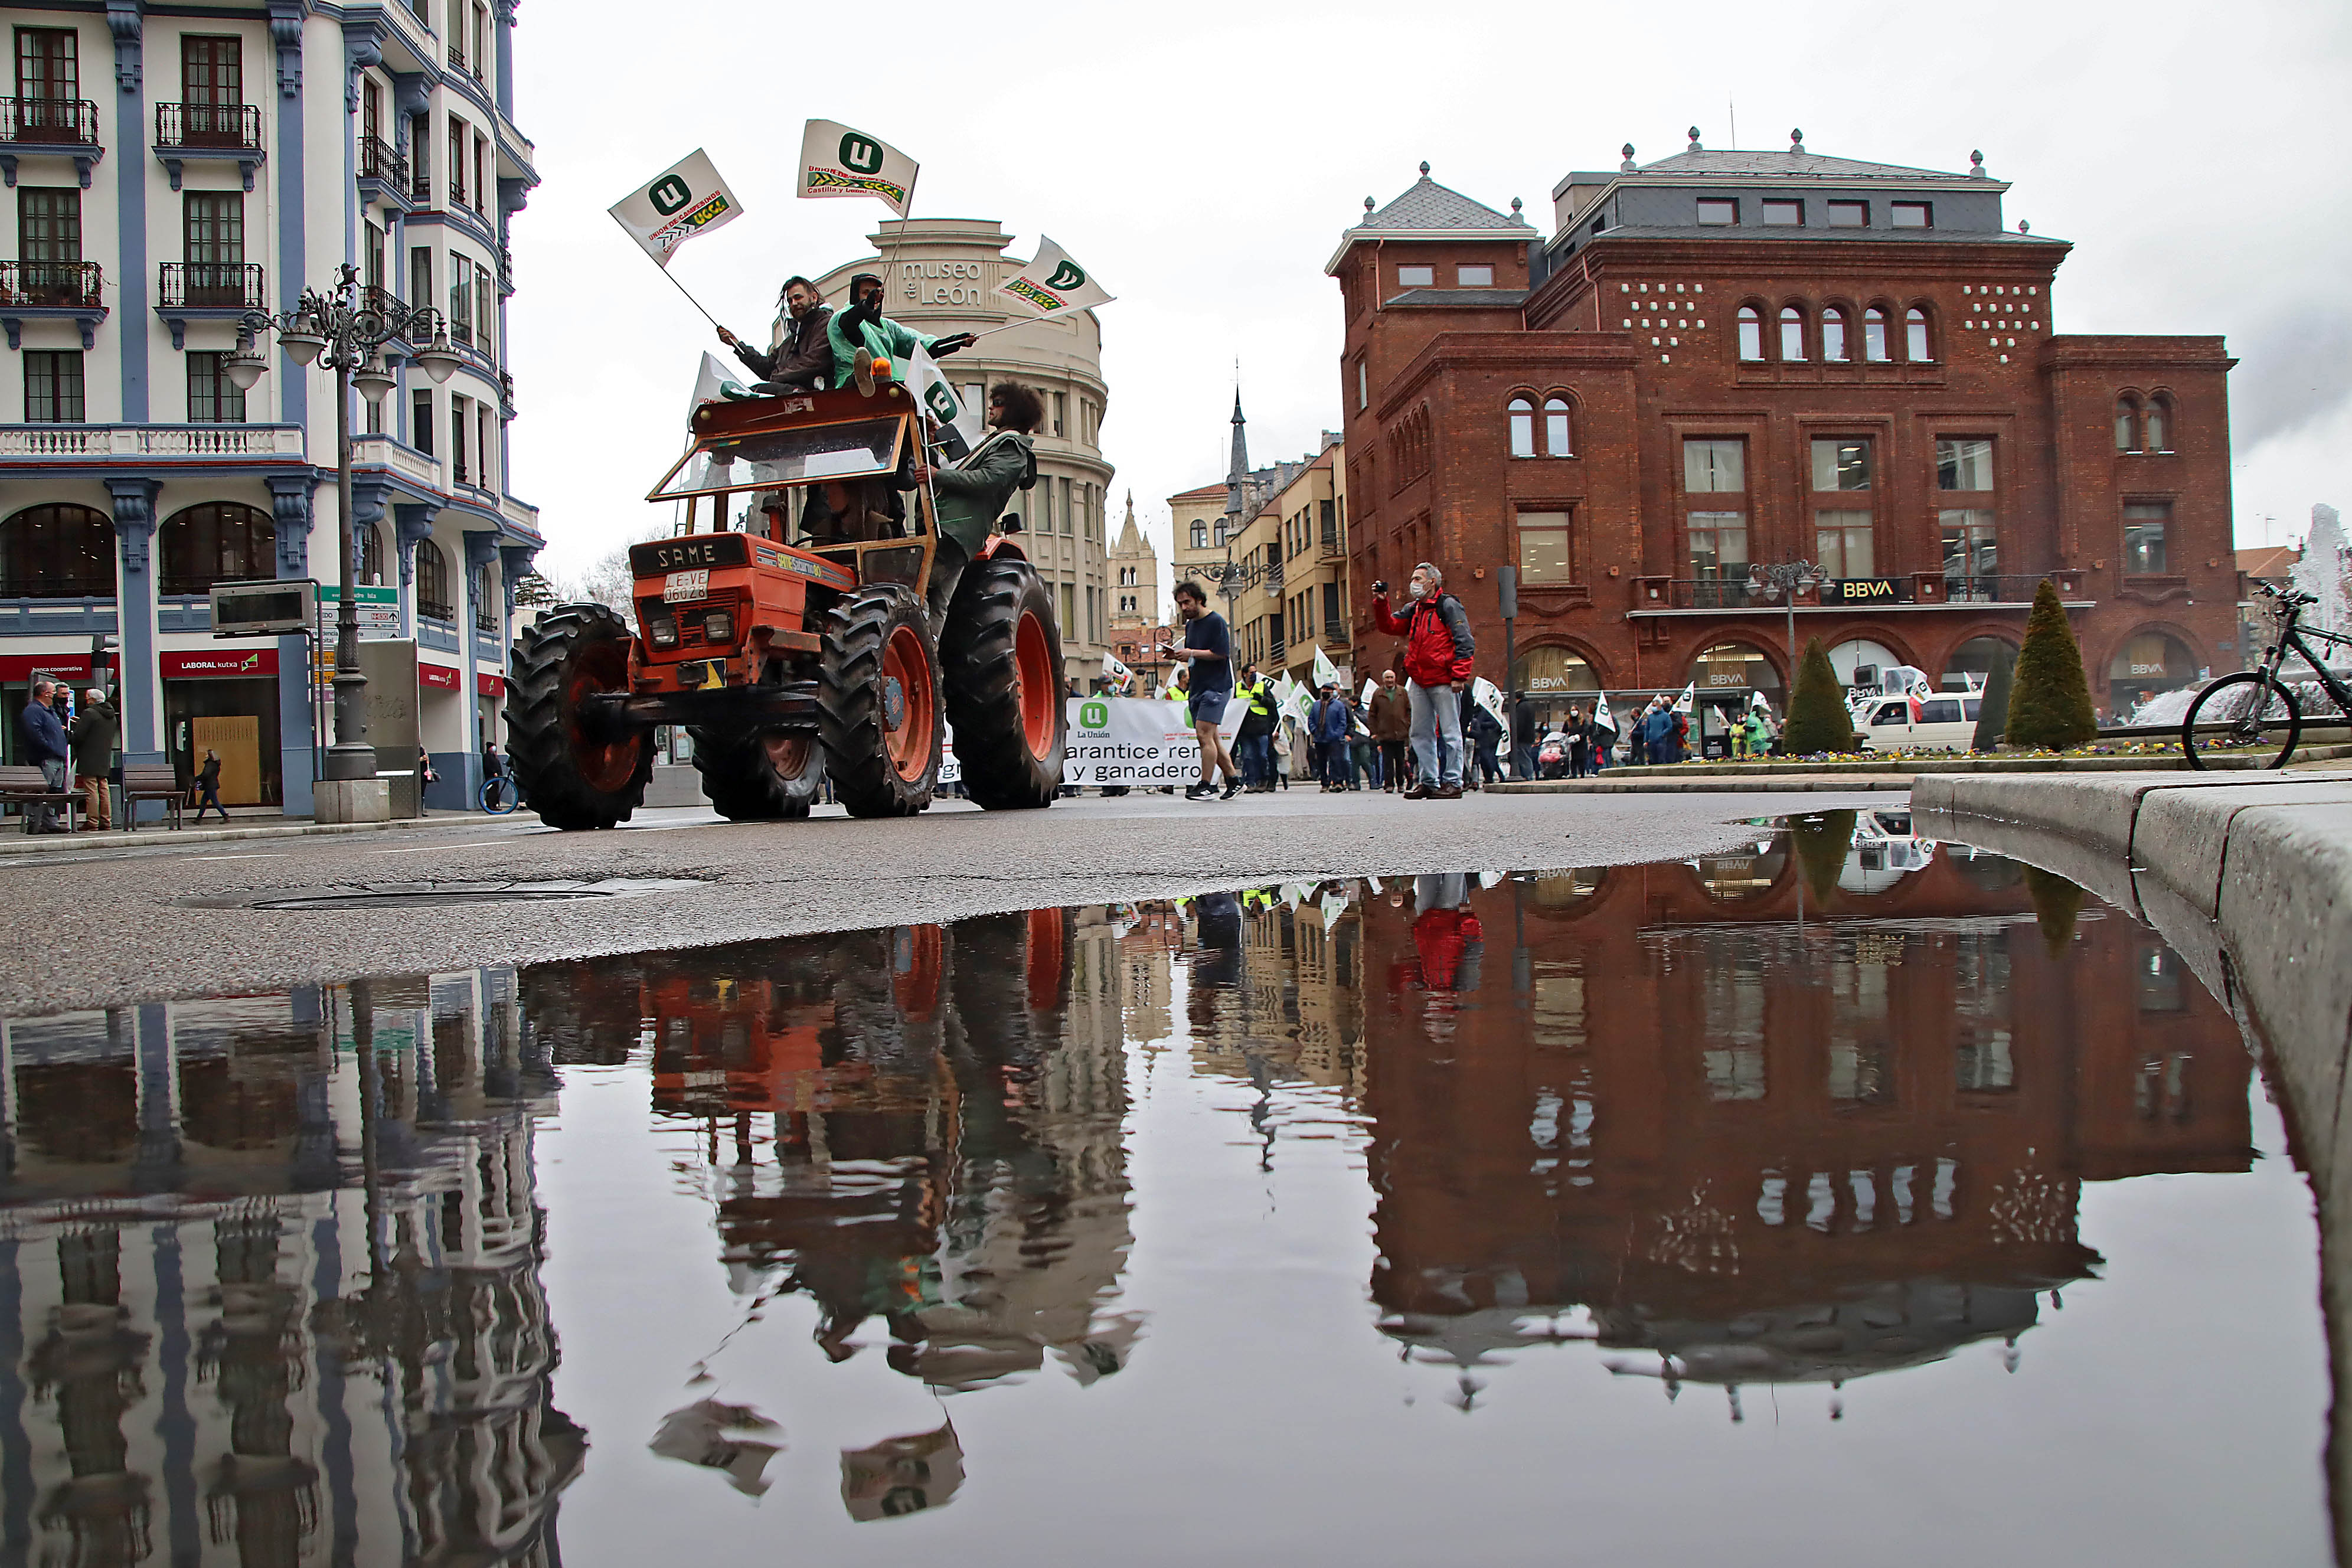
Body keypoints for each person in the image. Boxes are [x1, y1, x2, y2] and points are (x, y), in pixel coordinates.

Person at [907, 381, 1044, 626]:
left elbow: (987, 479)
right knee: (938, 602)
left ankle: (919, 651)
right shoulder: (1000, 443)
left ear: (1015, 410)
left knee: (915, 585)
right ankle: (930, 656)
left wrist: (939, 475)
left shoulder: (1012, 447)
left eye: (998, 404)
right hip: (957, 531)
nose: (991, 408)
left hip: (955, 530)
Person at [1370, 564, 1475, 800]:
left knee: (1450, 732)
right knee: (1420, 732)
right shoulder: (1415, 609)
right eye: (1413, 578)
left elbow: (1464, 641)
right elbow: (1390, 625)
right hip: (1420, 679)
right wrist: (1381, 602)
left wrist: (1459, 676)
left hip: (1443, 680)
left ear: (1433, 582)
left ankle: (1453, 781)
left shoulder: (1447, 606)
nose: (1414, 583)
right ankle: (1429, 780)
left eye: (1418, 578)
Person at [828, 272, 974, 395]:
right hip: (849, 384)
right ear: (855, 295)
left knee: (885, 369)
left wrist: (957, 342)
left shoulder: (889, 327)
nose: (872, 297)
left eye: (875, 293)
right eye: (866, 293)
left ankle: (876, 377)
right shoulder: (842, 317)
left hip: (889, 382)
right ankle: (862, 376)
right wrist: (866, 306)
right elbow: (849, 326)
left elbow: (921, 346)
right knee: (872, 363)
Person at [1160, 582, 1240, 801]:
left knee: (1203, 735)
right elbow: (1194, 655)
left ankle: (1207, 785)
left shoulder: (1216, 622)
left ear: (1199, 600)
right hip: (1198, 686)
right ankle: (1233, 780)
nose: (1183, 608)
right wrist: (1178, 655)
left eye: (1187, 602)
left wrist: (1191, 653)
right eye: (1180, 604)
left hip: (1216, 686)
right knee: (1211, 737)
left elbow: (1221, 653)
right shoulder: (1191, 625)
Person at [718, 275, 837, 392]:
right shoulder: (791, 341)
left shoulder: (826, 324)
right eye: (790, 301)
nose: (794, 304)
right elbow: (767, 367)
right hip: (787, 396)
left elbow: (814, 362)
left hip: (814, 398)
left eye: (798, 297)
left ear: (814, 298)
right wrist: (737, 345)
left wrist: (777, 377)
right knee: (744, 394)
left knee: (755, 393)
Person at [18, 678, 70, 832]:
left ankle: (50, 822)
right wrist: (50, 748)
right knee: (41, 791)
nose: (56, 696)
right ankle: (36, 822)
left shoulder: (50, 711)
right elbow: (34, 733)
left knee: (54, 792)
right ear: (46, 694)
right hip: (45, 758)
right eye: (54, 692)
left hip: (57, 758)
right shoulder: (34, 710)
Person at [70, 687, 116, 829]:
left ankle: (93, 821)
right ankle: (106, 821)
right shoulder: (111, 715)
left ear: (92, 700)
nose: (86, 701)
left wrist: (70, 735)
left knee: (91, 788)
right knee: (103, 787)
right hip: (104, 756)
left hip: (89, 756)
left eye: (87, 698)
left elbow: (79, 736)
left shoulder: (89, 713)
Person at [1234, 665, 1277, 790]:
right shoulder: (1237, 688)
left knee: (1262, 756)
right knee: (1247, 757)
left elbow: (1272, 704)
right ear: (1244, 674)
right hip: (1245, 729)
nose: (1254, 675)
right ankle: (1251, 782)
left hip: (1261, 727)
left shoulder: (1262, 687)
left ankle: (1263, 779)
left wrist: (1261, 699)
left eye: (1255, 672)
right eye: (1251, 673)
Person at [1368, 669, 1411, 792]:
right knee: (1387, 761)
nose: (1390, 680)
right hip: (1385, 733)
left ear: (1395, 678)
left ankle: (1401, 784)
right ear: (1383, 679)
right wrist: (1375, 731)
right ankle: (1389, 784)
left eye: (1392, 677)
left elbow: (1409, 710)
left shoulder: (1402, 692)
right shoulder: (1378, 694)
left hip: (1400, 733)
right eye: (1387, 678)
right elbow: (1372, 714)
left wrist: (1407, 725)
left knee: (1400, 761)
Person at [1311, 681, 1351, 790]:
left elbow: (1343, 722)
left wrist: (1337, 734)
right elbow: (1311, 719)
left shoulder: (1339, 705)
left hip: (1334, 739)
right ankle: (1325, 783)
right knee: (1321, 762)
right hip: (1320, 738)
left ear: (1332, 692)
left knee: (1336, 761)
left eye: (1328, 690)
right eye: (1324, 690)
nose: (1326, 692)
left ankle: (1338, 782)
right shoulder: (1316, 705)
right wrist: (1314, 730)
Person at [1466, 692, 1504, 789]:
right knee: (1480, 761)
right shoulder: (1473, 713)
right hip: (1476, 740)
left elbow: (1493, 724)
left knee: (1488, 760)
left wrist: (1479, 724)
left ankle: (1492, 777)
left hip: (1486, 740)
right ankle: (1486, 778)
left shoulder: (1486, 712)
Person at [193, 747, 226, 822]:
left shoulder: (210, 764)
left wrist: (196, 779)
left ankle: (225, 816)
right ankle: (198, 819)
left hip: (209, 786)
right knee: (204, 802)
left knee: (214, 802)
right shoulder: (216, 764)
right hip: (213, 785)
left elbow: (205, 774)